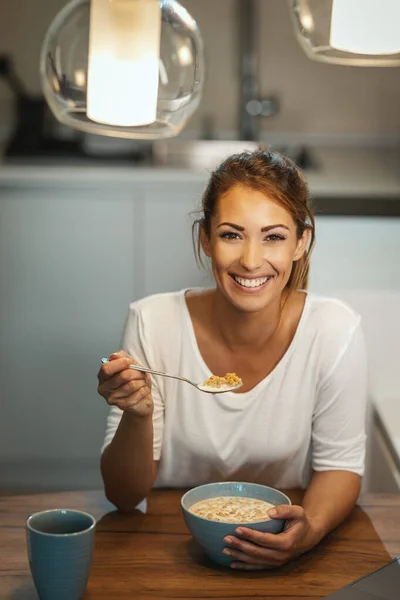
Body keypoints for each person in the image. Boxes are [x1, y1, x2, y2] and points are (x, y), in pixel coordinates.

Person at [97, 150, 367, 570]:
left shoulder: (334, 330)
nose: (251, 260)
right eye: (231, 234)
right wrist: (137, 414)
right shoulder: (152, 322)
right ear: (205, 238)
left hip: (282, 549)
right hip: (169, 551)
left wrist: (309, 530)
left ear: (301, 242)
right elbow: (123, 495)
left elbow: (341, 468)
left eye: (273, 236)